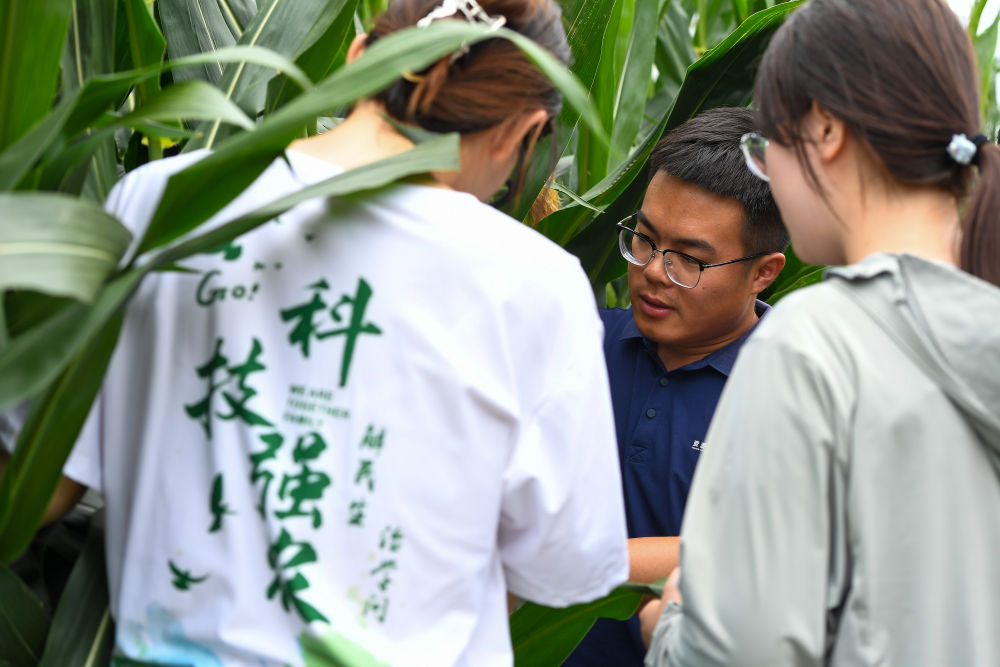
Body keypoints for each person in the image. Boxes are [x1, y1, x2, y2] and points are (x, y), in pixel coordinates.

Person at [2, 1, 632, 664]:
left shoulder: (163, 201)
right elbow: (557, 562)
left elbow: (41, 484)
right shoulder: (535, 285)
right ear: (520, 134)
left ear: (360, 57)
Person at [640, 0, 1000, 665]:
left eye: (764, 147)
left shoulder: (813, 344)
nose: (767, 172)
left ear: (825, 131)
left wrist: (670, 626)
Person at [564, 107, 788, 667]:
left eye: (689, 258)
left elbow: (764, 559)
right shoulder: (574, 345)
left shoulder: (792, 399)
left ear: (763, 271)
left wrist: (570, 558)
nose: (655, 271)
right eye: (643, 238)